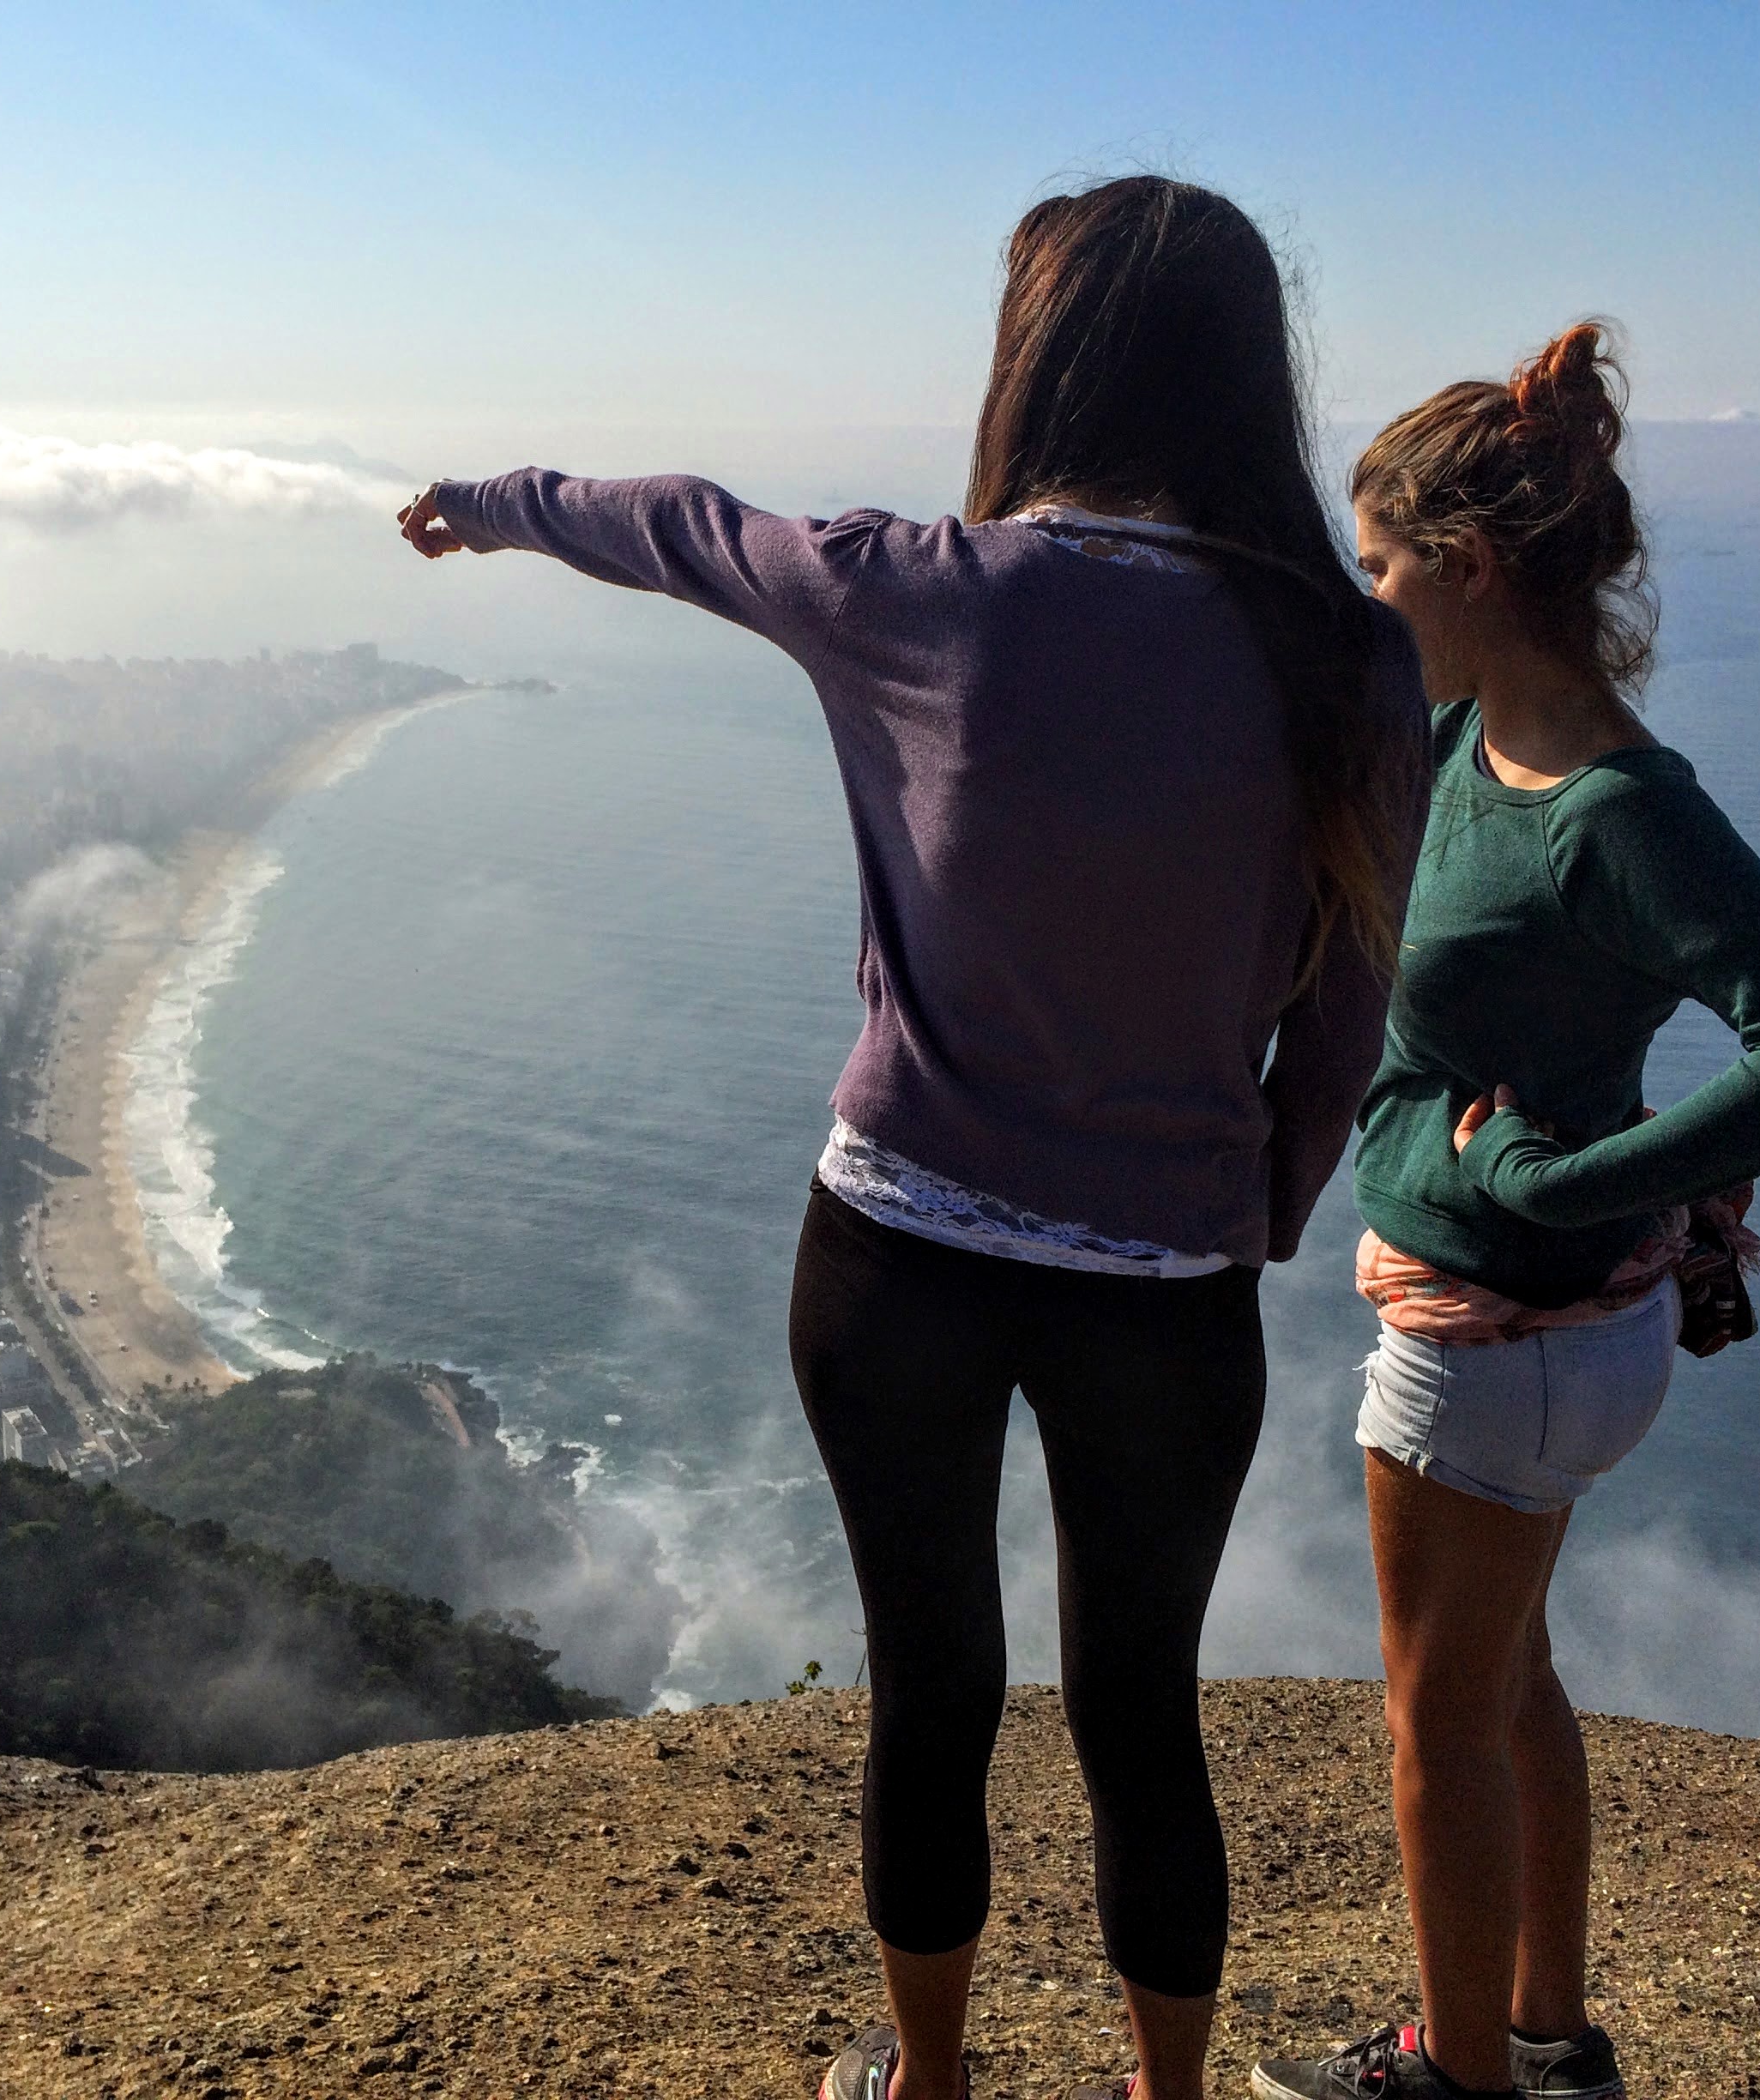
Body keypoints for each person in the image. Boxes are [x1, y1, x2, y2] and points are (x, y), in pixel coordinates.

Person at [397, 176, 1428, 2100]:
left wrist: (485, 499)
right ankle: (1169, 2097)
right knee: (1144, 1719)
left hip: (897, 1263)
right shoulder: (1351, 662)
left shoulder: (912, 585)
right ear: (1241, 378)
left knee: (931, 1692)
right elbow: (1350, 1006)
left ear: (1037, 358)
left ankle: (930, 2086)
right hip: (1170, 1293)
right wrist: (1256, 1205)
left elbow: (678, 528)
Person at [1251, 325, 1760, 2100]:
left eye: (1382, 561)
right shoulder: (1479, 736)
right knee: (1509, 1679)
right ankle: (1545, 2041)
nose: (1364, 591)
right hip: (1551, 1337)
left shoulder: (1616, 809)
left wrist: (1571, 1177)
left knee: (1433, 1725)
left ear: (1464, 570)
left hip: (1502, 1344)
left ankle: (1456, 2079)